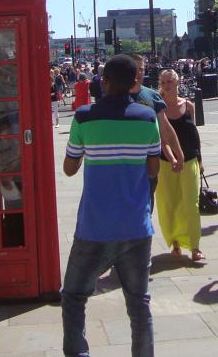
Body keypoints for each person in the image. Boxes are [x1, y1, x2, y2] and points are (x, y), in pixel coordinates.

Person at [61, 54, 162, 357]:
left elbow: (69, 168)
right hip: (136, 226)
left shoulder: (84, 117)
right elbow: (154, 169)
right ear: (135, 83)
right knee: (138, 304)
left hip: (95, 226)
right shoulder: (147, 118)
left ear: (103, 82)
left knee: (74, 296)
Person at [154, 69, 204, 262]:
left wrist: (200, 159)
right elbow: (162, 138)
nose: (167, 85)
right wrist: (173, 158)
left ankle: (195, 246)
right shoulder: (158, 109)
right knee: (170, 204)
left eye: (170, 81)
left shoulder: (188, 105)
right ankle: (175, 242)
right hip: (166, 162)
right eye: (164, 82)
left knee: (192, 203)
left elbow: (194, 133)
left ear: (177, 81)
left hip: (190, 158)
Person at [126, 53, 185, 207]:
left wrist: (178, 154)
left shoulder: (152, 96)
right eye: (134, 69)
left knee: (146, 210)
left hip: (148, 166)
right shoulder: (115, 96)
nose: (138, 73)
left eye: (141, 69)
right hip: (122, 166)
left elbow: (165, 127)